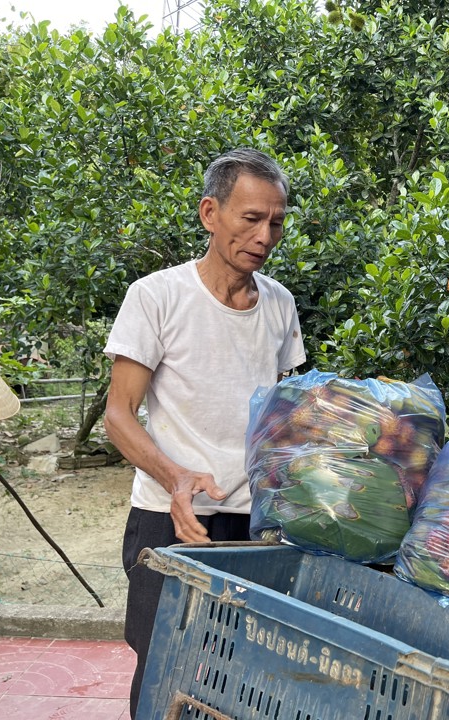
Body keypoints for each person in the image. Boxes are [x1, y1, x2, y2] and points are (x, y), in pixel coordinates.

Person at [103, 147, 306, 718]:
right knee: (162, 660)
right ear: (209, 213)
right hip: (170, 516)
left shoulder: (280, 306)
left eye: (277, 222)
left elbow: (282, 413)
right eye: (251, 218)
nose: (265, 235)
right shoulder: (157, 296)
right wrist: (177, 478)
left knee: (241, 671)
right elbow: (120, 414)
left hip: (254, 524)